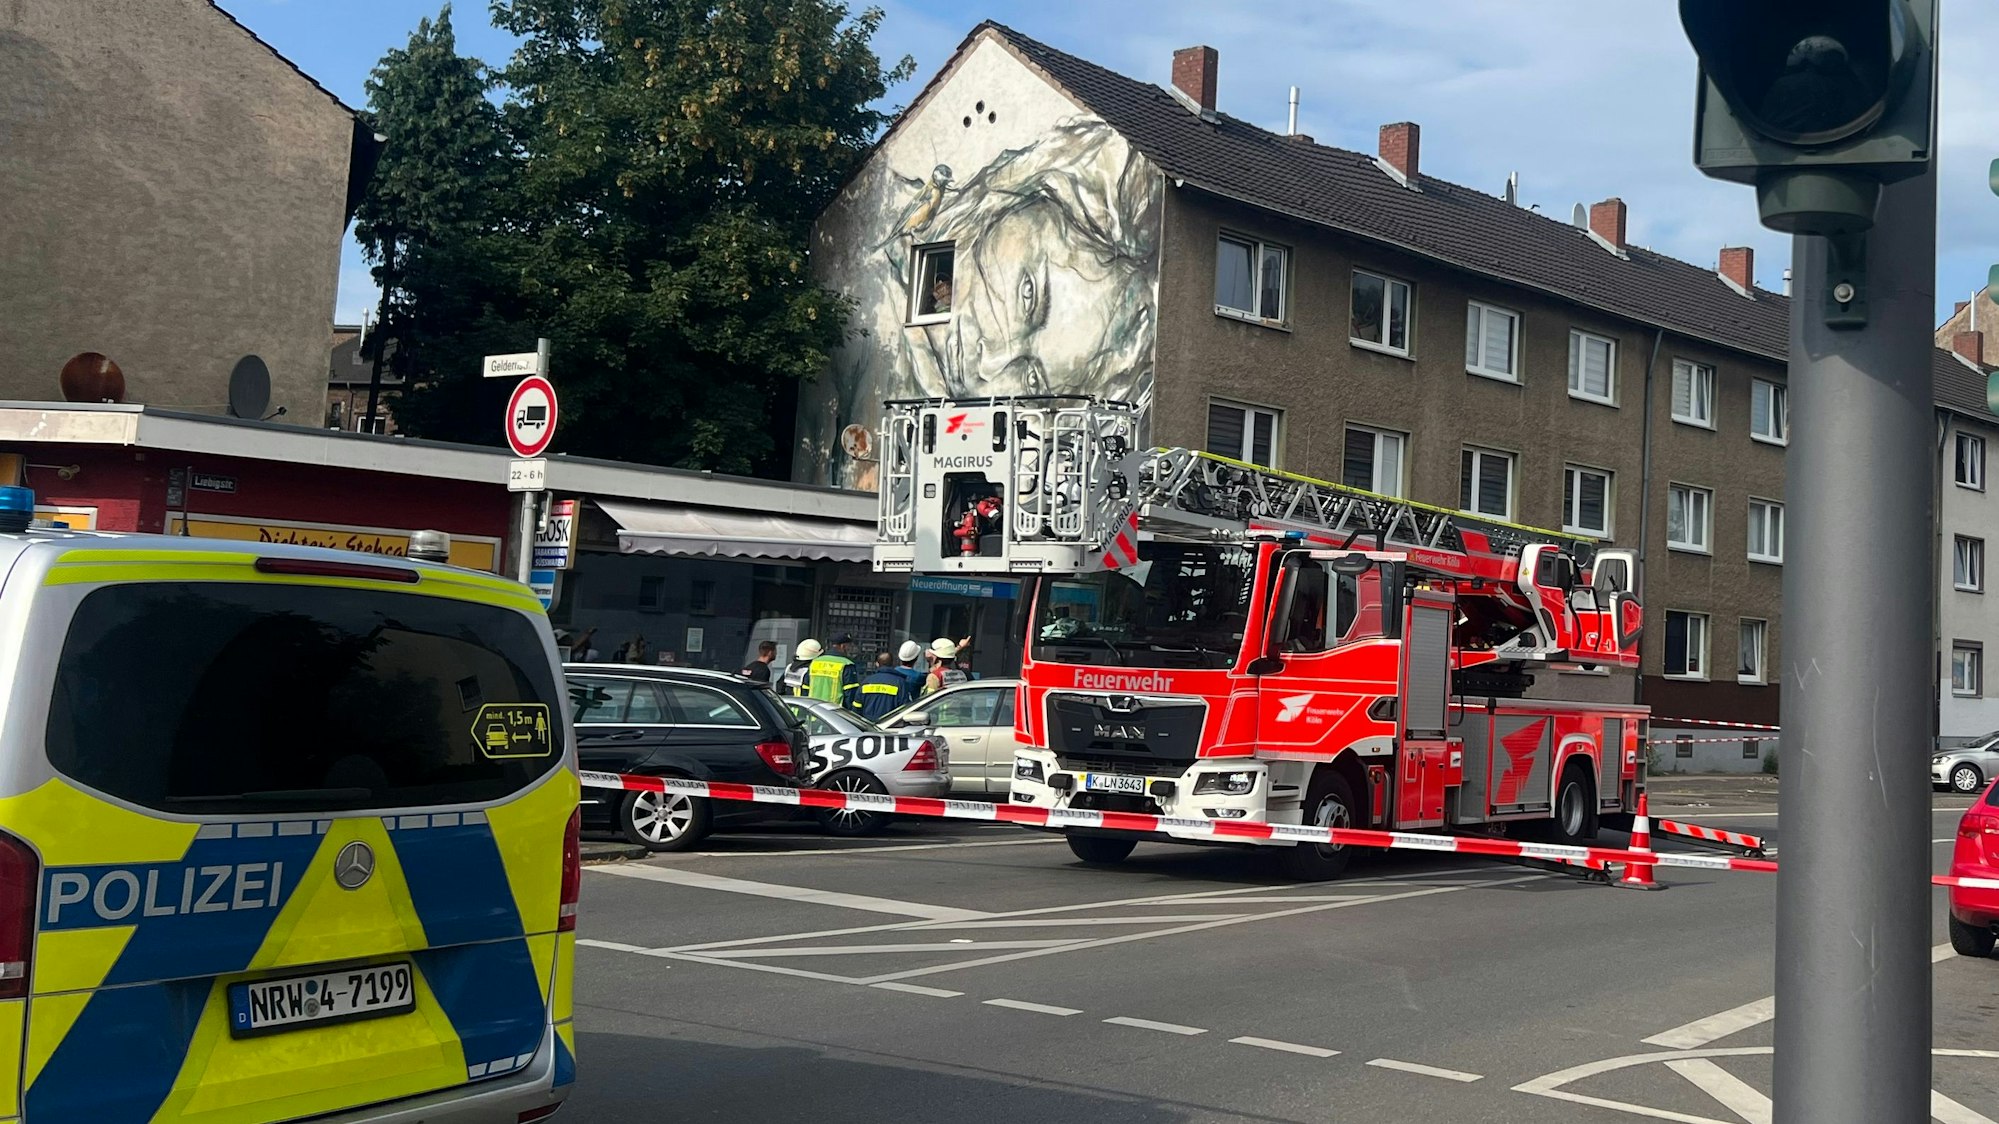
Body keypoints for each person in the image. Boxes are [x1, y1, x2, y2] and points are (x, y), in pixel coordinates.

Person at [808, 633, 863, 711]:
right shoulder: (846, 665)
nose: (850, 649)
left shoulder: (815, 662)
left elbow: (806, 688)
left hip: (814, 712)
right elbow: (850, 694)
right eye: (849, 646)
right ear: (843, 646)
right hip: (834, 715)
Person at [858, 652, 915, 720]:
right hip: (889, 726)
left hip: (867, 726)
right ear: (892, 664)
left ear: (877, 664)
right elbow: (904, 708)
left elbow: (857, 707)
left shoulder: (866, 681)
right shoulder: (900, 683)